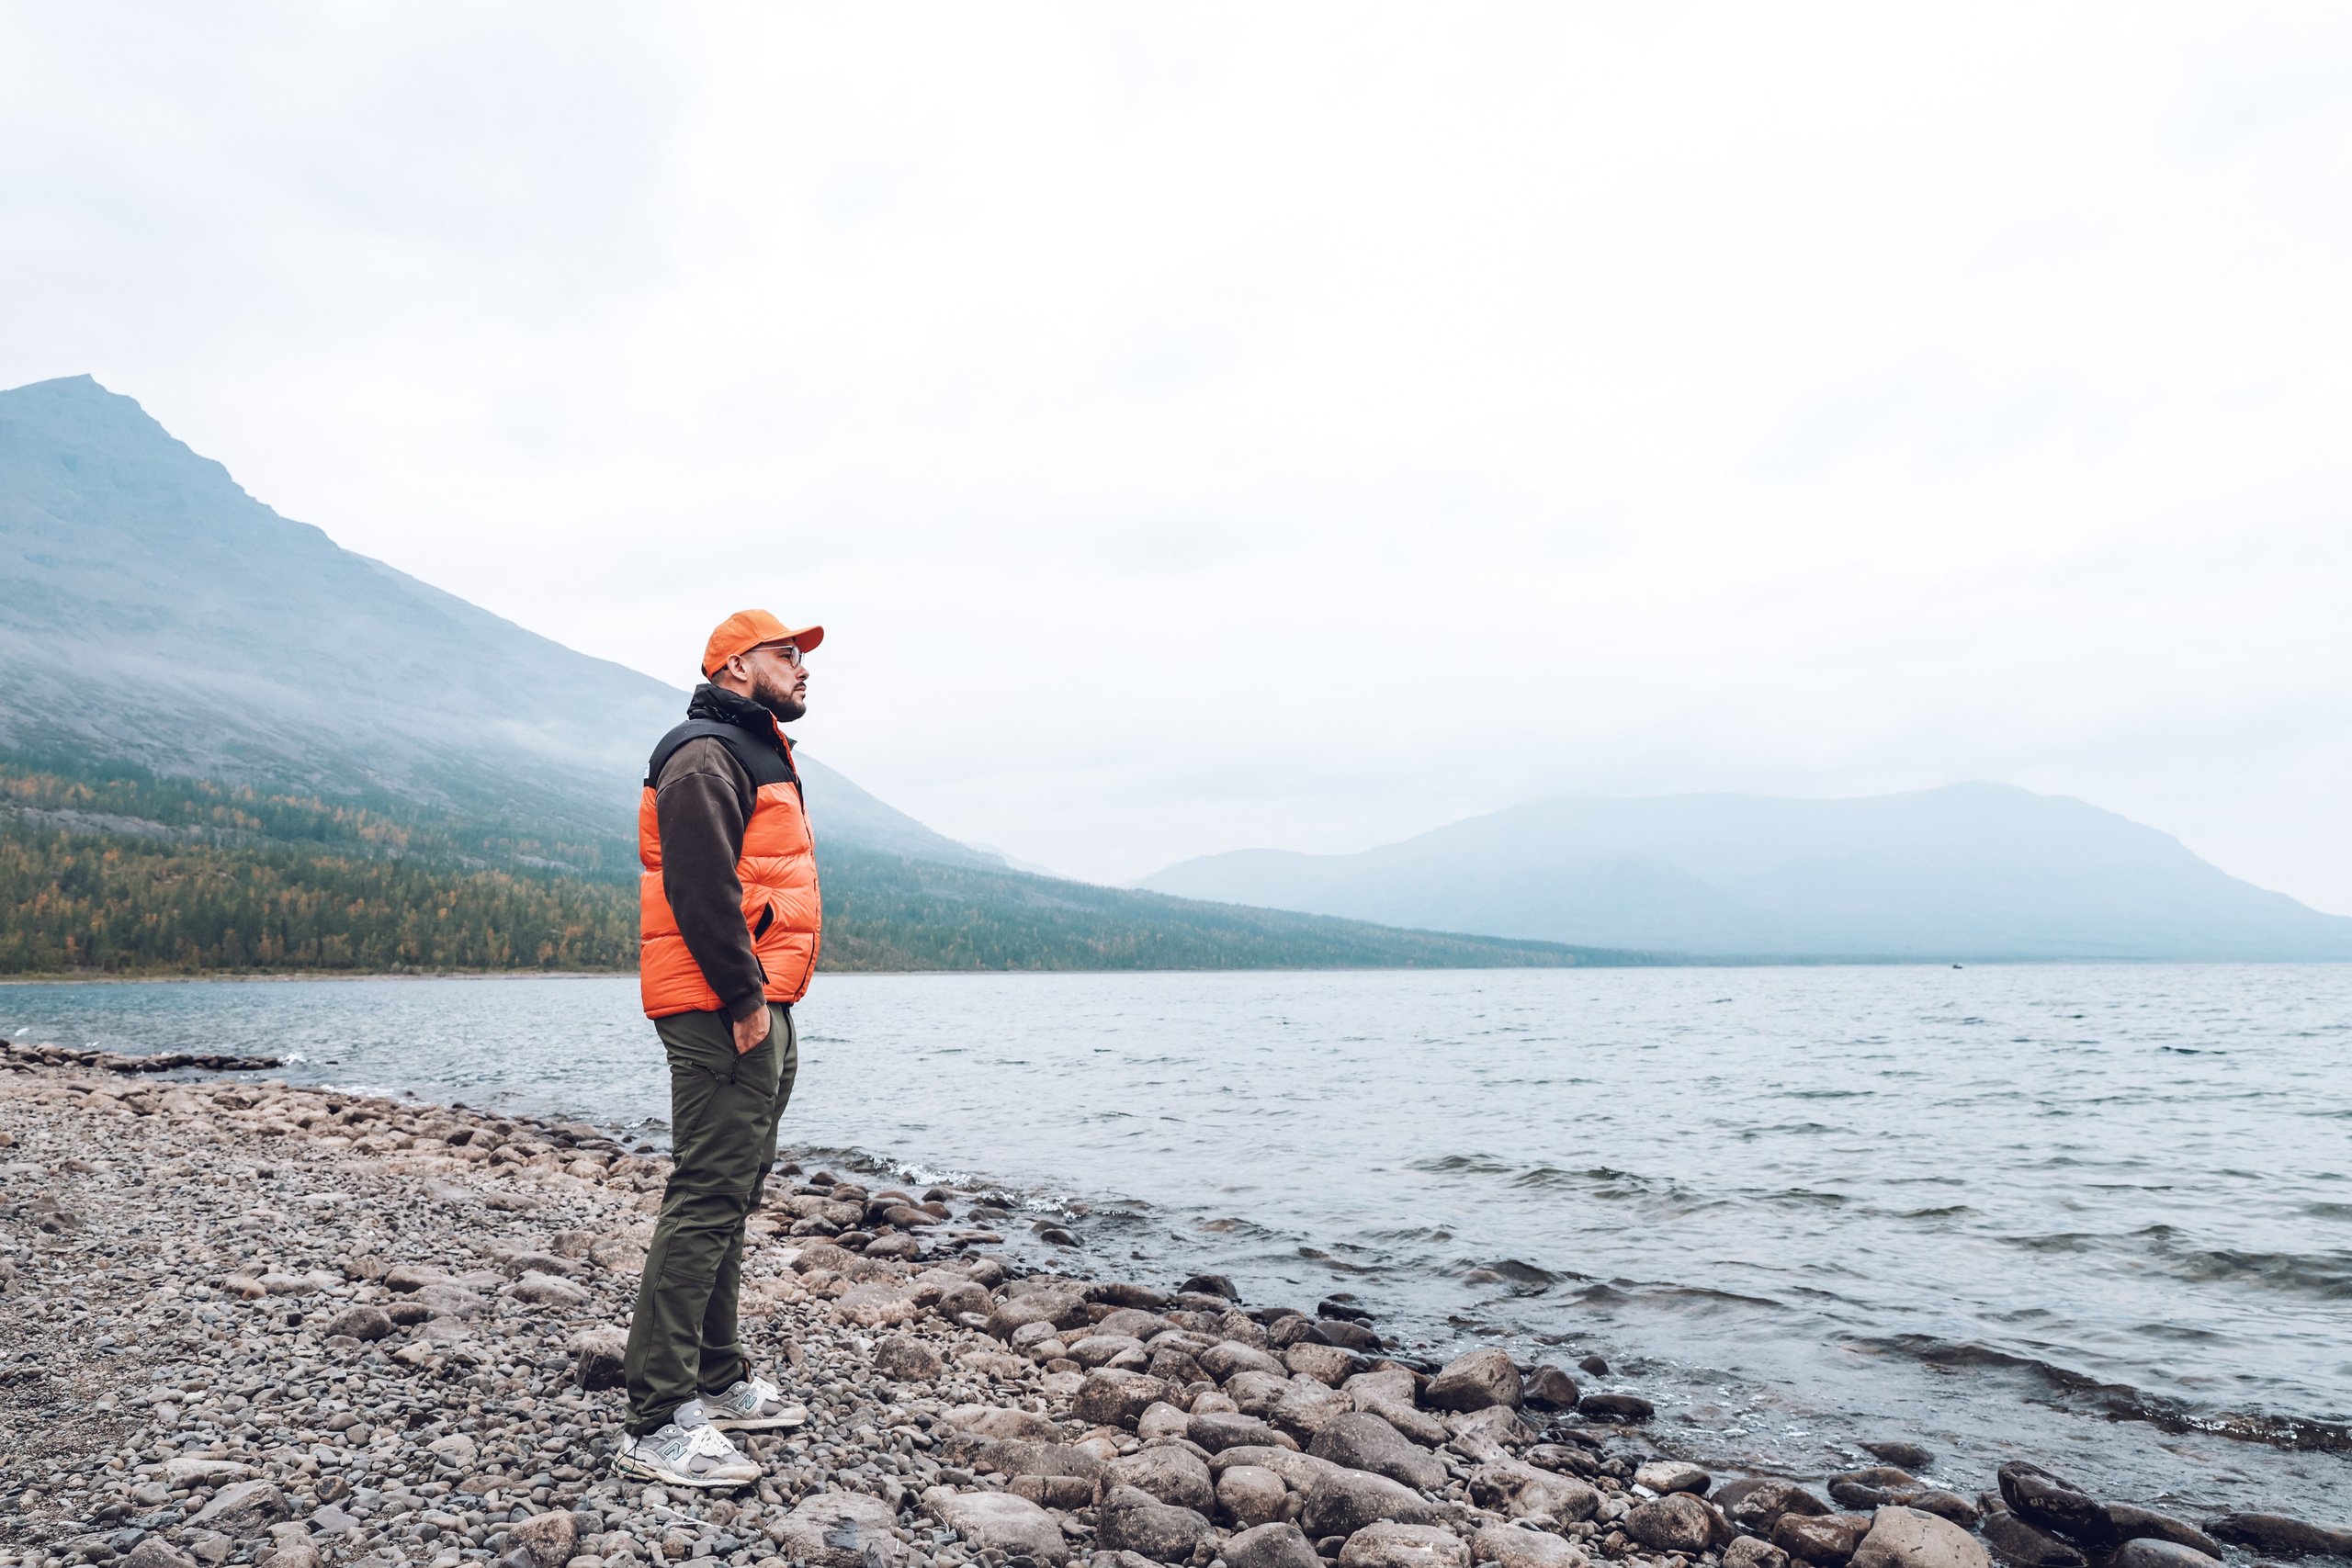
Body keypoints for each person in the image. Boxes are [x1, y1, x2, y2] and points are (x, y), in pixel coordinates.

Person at [615, 609, 826, 1488]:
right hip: (722, 1005)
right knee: (705, 1194)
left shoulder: (757, 747)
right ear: (738, 665)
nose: (804, 669)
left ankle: (719, 1373)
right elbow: (700, 885)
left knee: (733, 1190)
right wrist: (743, 996)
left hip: (758, 1001)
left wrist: (765, 998)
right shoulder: (705, 752)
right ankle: (657, 1418)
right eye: (789, 654)